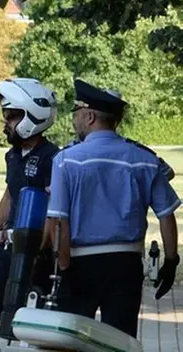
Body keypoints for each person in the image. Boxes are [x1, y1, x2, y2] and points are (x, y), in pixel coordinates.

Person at [47, 78, 180, 338]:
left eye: (77, 114)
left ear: (90, 117)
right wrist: (171, 260)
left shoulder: (65, 161)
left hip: (79, 263)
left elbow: (58, 222)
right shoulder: (145, 159)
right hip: (125, 263)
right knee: (119, 341)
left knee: (70, 340)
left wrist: (62, 267)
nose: (74, 120)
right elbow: (166, 215)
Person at [0, 78, 61, 352]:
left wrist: (40, 249)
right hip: (10, 247)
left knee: (36, 320)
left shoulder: (52, 158)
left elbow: (54, 208)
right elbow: (9, 195)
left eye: (12, 116)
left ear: (33, 117)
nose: (5, 122)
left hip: (37, 253)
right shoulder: (13, 156)